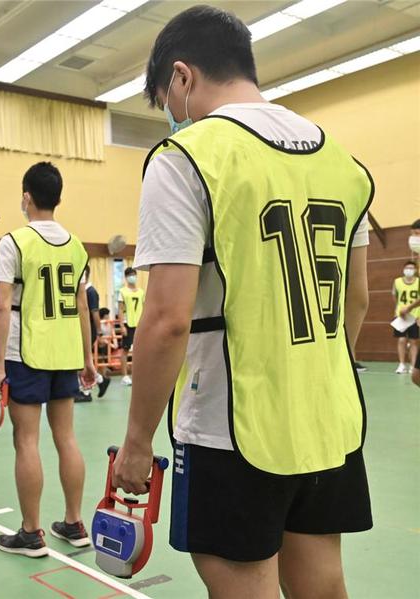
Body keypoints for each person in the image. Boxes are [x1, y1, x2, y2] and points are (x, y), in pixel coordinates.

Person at [111, 7, 372, 599]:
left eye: (164, 101)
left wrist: (136, 440)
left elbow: (167, 319)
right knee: (324, 586)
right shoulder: (342, 161)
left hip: (231, 426)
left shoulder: (189, 158)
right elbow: (355, 299)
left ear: (181, 77)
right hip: (326, 416)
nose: (171, 118)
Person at [0, 161, 96, 557]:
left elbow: (2, 307)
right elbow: (83, 307)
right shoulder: (78, 246)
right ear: (59, 198)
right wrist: (88, 357)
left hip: (25, 352)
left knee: (26, 440)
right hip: (65, 353)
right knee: (66, 436)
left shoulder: (13, 243)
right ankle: (74, 521)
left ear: (26, 197)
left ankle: (31, 532)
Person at [84, 265, 111, 399]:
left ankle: (86, 391)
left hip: (89, 331)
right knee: (81, 362)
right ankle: (100, 381)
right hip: (83, 330)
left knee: (82, 361)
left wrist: (99, 333)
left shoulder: (91, 292)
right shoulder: (83, 291)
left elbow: (95, 313)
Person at [117, 266, 144, 385]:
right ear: (126, 277)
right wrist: (122, 325)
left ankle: (137, 375)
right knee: (125, 350)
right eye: (129, 275)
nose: (132, 277)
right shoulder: (123, 291)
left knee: (139, 351)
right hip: (128, 324)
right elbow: (120, 309)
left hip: (140, 325)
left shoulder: (141, 292)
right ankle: (124, 376)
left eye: (133, 274)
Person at [392, 260, 419, 374]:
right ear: (403, 270)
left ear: (416, 270)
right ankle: (402, 364)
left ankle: (413, 366)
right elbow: (394, 297)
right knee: (401, 340)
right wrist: (398, 310)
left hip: (415, 316)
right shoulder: (397, 281)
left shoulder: (418, 282)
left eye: (411, 268)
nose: (409, 270)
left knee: (414, 341)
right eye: (407, 268)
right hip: (401, 316)